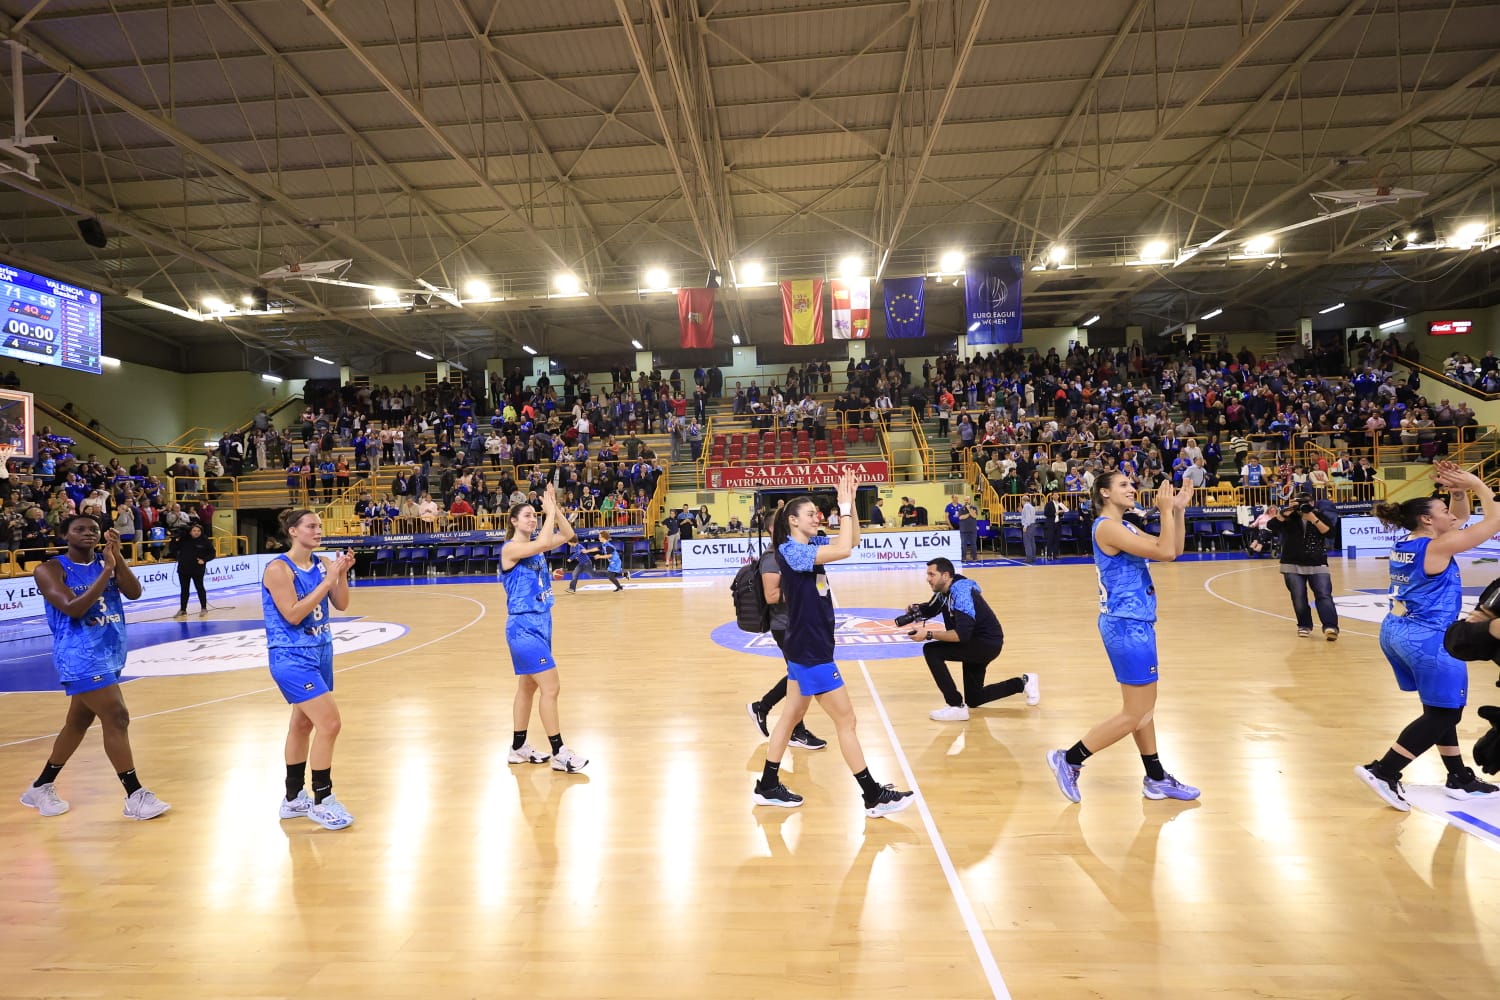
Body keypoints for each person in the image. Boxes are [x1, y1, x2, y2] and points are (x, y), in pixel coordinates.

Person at [753, 469, 914, 817]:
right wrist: (841, 504)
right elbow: (843, 547)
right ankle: (872, 795)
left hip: (806, 644)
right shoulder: (791, 552)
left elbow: (851, 541)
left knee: (789, 717)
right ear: (793, 521)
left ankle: (767, 784)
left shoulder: (807, 545)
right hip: (811, 648)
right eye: (811, 514)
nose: (817, 517)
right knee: (847, 721)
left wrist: (851, 503)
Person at [1046, 473, 1200, 803]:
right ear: (1105, 492)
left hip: (1135, 623)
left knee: (1143, 709)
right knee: (1135, 713)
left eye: (1132, 483)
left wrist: (1178, 511)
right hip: (1126, 626)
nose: (1132, 488)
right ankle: (1070, 758)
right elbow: (1165, 553)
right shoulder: (1107, 527)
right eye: (1124, 485)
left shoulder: (1125, 526)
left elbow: (1174, 548)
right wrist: (1163, 510)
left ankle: (1156, 777)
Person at [1355, 464, 1500, 810]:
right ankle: (1385, 770)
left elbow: (1460, 518)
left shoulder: (1411, 540)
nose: (1451, 515)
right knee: (1445, 713)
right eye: (1443, 512)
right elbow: (1493, 523)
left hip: (1396, 630)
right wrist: (1479, 484)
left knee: (1439, 707)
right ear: (1427, 521)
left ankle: (1458, 777)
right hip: (1429, 638)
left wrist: (1459, 492)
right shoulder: (1438, 547)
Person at [20, 516, 170, 821]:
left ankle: (41, 785)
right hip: (79, 655)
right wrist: (106, 572)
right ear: (65, 534)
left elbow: (134, 592)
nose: (88, 533)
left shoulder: (107, 561)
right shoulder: (50, 569)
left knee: (78, 722)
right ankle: (135, 795)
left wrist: (117, 560)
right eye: (79, 529)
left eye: (93, 530)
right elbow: (74, 607)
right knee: (117, 716)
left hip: (111, 651)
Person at [262, 508, 357, 830]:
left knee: (303, 726)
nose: (318, 530)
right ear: (293, 531)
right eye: (311, 526)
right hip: (291, 655)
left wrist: (340, 574)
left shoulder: (322, 563)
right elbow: (292, 615)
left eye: (319, 526)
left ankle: (292, 798)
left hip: (320, 652)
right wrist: (328, 579)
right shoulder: (278, 568)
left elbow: (341, 604)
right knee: (330, 724)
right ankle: (322, 799)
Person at [501, 484, 589, 773]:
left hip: (542, 624)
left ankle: (518, 748)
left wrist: (555, 507)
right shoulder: (512, 548)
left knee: (527, 687)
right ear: (513, 521)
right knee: (551, 688)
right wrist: (549, 512)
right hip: (523, 627)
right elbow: (541, 543)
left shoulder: (535, 546)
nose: (532, 519)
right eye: (526, 515)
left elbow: (568, 536)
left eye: (534, 515)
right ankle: (559, 752)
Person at [906, 557, 1038, 720]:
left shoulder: (961, 594)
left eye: (931, 574)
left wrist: (928, 634)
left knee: (932, 651)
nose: (928, 579)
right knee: (974, 698)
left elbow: (961, 635)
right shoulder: (945, 592)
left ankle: (955, 706)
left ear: (945, 575)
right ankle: (1023, 683)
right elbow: (931, 608)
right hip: (975, 642)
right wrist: (915, 609)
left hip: (985, 644)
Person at [745, 513, 828, 753]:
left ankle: (763, 707)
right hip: (785, 625)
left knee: (797, 674)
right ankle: (793, 729)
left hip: (799, 622)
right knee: (803, 675)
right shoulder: (772, 558)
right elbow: (772, 596)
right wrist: (804, 590)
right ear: (774, 528)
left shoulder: (793, 552)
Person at [1267, 500, 1338, 639]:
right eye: (1299, 503)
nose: (1302, 506)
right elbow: (1271, 527)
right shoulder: (1288, 517)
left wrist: (1313, 519)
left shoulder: (1319, 515)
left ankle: (1330, 626)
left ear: (1312, 503)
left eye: (1306, 502)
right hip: (1292, 563)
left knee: (1324, 595)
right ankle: (1304, 625)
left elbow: (1330, 533)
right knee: (1298, 596)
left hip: (1318, 563)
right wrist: (1284, 513)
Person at [173, 522, 215, 618]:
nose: (196, 532)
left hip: (197, 569)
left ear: (201, 532)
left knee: (199, 588)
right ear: (190, 532)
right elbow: (173, 549)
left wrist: (204, 560)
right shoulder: (184, 539)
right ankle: (183, 610)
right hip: (183, 569)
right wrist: (174, 540)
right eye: (194, 530)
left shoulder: (205, 541)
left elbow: (212, 553)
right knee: (184, 590)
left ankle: (204, 608)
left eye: (198, 531)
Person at [566, 529, 624, 593]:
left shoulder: (608, 546)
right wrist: (587, 551)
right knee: (575, 573)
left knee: (609, 576)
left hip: (615, 562)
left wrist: (599, 556)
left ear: (603, 537)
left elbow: (609, 555)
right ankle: (572, 588)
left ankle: (621, 582)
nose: (598, 538)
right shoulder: (604, 544)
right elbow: (596, 548)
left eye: (599, 536)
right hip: (610, 562)